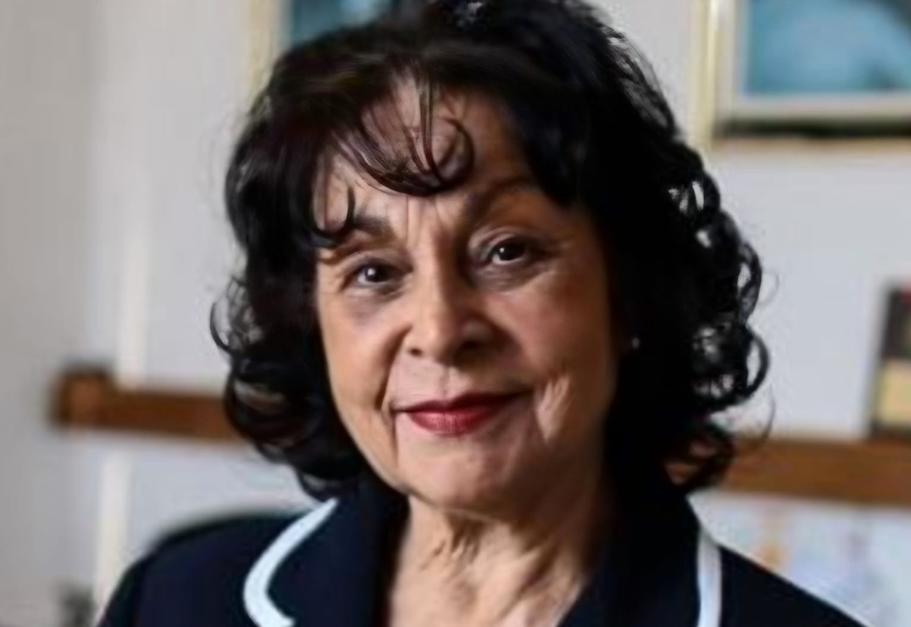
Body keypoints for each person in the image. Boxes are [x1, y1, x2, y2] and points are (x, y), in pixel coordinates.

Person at [99, 0, 866, 625]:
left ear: (629, 288)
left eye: (507, 252)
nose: (439, 331)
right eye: (374, 272)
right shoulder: (172, 604)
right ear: (313, 321)